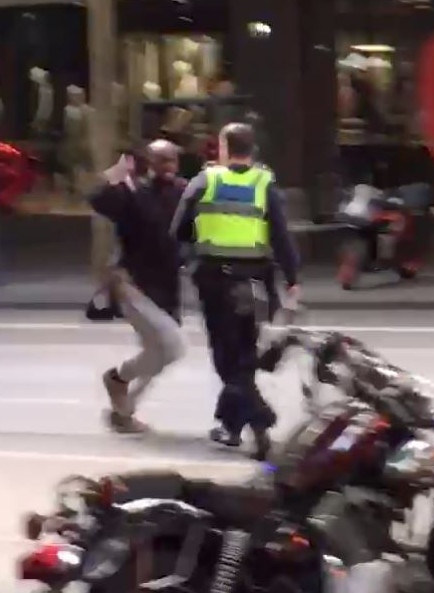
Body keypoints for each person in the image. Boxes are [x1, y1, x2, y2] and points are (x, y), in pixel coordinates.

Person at [170, 123, 300, 460]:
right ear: (252, 149)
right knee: (244, 353)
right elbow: (282, 235)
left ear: (224, 147)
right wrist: (292, 276)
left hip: (216, 281)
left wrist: (187, 259)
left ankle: (258, 420)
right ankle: (230, 426)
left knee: (227, 357)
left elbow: (178, 230)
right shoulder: (264, 183)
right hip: (257, 282)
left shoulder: (205, 181)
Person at [89, 140, 186, 433]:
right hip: (134, 284)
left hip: (167, 286)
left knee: (159, 352)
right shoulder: (134, 194)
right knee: (173, 346)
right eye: (161, 159)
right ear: (149, 164)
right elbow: (99, 200)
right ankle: (118, 381)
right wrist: (114, 177)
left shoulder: (184, 192)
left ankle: (123, 410)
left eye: (172, 158)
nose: (167, 165)